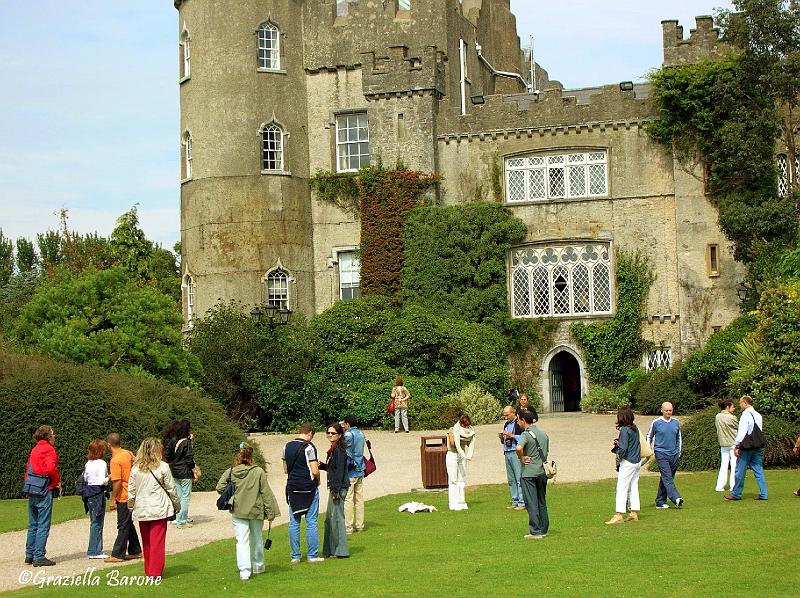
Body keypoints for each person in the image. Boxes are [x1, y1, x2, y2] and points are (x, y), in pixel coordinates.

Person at [216, 443, 280, 580]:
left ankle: (244, 572)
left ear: (238, 455)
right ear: (251, 455)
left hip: (238, 510)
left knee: (242, 541)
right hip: (255, 510)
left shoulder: (232, 471)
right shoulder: (259, 472)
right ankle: (258, 566)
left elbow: (220, 487)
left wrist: (232, 494)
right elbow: (266, 493)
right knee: (256, 538)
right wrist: (271, 513)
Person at [127, 437, 181, 579]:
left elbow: (131, 491)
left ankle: (149, 569)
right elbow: (171, 489)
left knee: (147, 542)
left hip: (142, 507)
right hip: (159, 508)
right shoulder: (162, 467)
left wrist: (131, 506)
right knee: (157, 541)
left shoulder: (135, 468)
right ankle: (155, 572)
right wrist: (177, 505)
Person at [283, 423, 324, 564]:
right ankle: (312, 555)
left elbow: (285, 469)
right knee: (311, 521)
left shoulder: (286, 446)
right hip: (308, 486)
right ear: (310, 433)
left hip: (293, 487)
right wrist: (318, 479)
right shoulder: (309, 447)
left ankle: (295, 556)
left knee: (294, 522)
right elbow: (314, 470)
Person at [24, 425, 61, 567]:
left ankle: (30, 554)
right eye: (53, 434)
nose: (54, 436)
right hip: (43, 487)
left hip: (32, 486)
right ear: (48, 436)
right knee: (43, 523)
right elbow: (51, 468)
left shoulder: (35, 449)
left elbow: (29, 468)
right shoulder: (49, 449)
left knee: (33, 523)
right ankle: (39, 556)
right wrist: (56, 482)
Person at [105, 433, 142, 564]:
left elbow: (117, 482)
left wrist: (112, 499)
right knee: (128, 523)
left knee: (122, 525)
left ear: (109, 445)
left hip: (123, 495)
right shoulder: (127, 453)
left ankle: (118, 554)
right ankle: (135, 550)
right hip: (132, 492)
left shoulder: (115, 460)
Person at [725, 395, 768, 501]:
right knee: (758, 469)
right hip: (757, 446)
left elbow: (742, 432)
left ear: (745, 403)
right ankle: (764, 493)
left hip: (747, 447)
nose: (740, 405)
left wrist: (737, 445)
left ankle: (736, 493)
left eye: (740, 403)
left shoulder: (745, 415)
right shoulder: (758, 415)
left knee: (740, 470)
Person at [516, 409, 550, 539]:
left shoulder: (525, 434)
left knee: (531, 502)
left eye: (519, 420)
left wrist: (522, 458)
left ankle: (535, 531)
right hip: (542, 472)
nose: (518, 422)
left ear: (524, 420)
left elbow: (518, 448)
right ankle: (544, 528)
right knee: (541, 501)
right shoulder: (543, 434)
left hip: (529, 473)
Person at [319, 423, 350, 558]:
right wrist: (323, 466)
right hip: (335, 487)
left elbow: (340, 471)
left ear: (339, 435)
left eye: (333, 433)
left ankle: (341, 550)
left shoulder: (339, 450)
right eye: (328, 433)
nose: (330, 435)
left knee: (337, 519)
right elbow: (334, 468)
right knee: (330, 519)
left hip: (338, 488)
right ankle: (330, 549)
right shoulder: (334, 449)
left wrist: (336, 490)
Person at [606, 408, 641, 525]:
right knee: (633, 486)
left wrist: (618, 457)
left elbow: (624, 448)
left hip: (628, 462)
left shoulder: (625, 430)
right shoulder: (634, 428)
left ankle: (619, 514)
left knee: (622, 487)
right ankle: (633, 512)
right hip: (636, 461)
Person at [646, 401, 684, 509]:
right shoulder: (656, 422)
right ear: (662, 410)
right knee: (667, 477)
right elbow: (649, 436)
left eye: (670, 410)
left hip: (674, 454)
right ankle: (676, 498)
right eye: (666, 410)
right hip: (661, 453)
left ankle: (660, 501)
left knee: (667, 478)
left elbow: (678, 438)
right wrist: (649, 450)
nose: (668, 412)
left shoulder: (676, 422)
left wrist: (679, 452)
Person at [164, 419, 196, 529]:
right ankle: (182, 521)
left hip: (175, 471)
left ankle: (179, 518)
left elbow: (167, 453)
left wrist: (174, 461)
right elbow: (189, 458)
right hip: (185, 471)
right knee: (185, 497)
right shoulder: (186, 442)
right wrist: (193, 469)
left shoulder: (173, 440)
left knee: (179, 496)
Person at [83, 439, 110, 558]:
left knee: (94, 521)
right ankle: (95, 551)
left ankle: (94, 549)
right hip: (98, 492)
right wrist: (109, 477)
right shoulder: (101, 463)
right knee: (98, 522)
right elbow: (101, 481)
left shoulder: (88, 463)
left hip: (89, 493)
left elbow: (85, 478)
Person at [446, 415, 475, 511]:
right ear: (461, 424)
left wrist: (467, 437)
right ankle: (453, 503)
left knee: (462, 479)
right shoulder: (453, 429)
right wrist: (456, 437)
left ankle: (462, 501)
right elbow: (452, 444)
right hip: (452, 454)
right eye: (465, 426)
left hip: (462, 454)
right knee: (453, 479)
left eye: (468, 426)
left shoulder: (469, 431)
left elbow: (468, 443)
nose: (467, 428)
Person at [342, 416, 366, 534]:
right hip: (360, 468)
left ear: (348, 424)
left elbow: (343, 449)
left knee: (348, 498)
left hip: (351, 469)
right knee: (359, 499)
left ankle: (348, 527)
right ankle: (360, 525)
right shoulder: (361, 434)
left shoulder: (348, 435)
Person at [500, 405, 525, 510]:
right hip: (507, 452)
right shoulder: (506, 424)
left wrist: (512, 435)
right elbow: (504, 441)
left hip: (516, 452)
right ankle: (515, 500)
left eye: (507, 415)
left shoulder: (519, 424)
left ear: (513, 412)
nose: (506, 418)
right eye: (504, 416)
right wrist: (502, 438)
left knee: (519, 477)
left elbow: (524, 438)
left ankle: (522, 502)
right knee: (511, 479)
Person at [715, 400, 738, 492]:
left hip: (723, 444)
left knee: (723, 465)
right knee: (734, 465)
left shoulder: (718, 416)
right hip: (732, 443)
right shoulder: (732, 418)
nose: (734, 408)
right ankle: (733, 486)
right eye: (732, 407)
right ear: (727, 407)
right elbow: (738, 427)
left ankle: (720, 486)